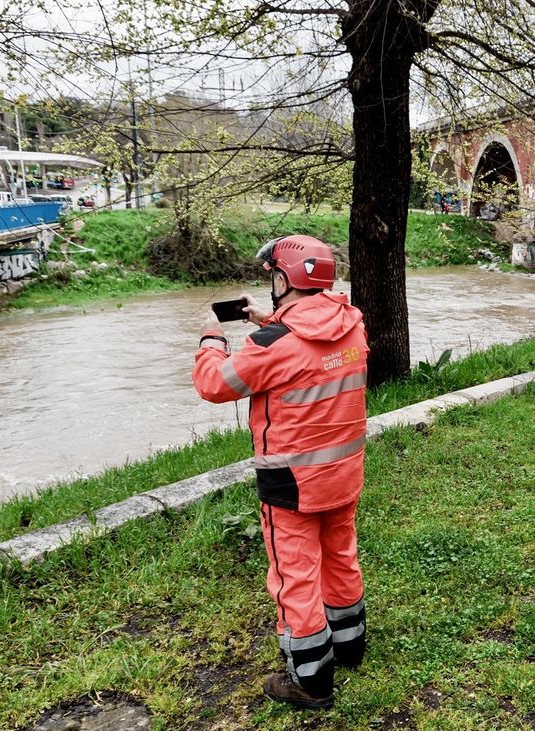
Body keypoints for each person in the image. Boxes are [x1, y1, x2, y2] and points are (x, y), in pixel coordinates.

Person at [193, 235, 369, 710]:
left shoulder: (271, 344)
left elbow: (213, 384)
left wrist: (211, 339)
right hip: (344, 473)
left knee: (295, 576)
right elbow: (311, 348)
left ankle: (311, 680)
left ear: (283, 278)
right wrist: (269, 319)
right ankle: (350, 645)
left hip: (290, 484)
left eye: (273, 275)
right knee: (340, 557)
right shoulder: (353, 324)